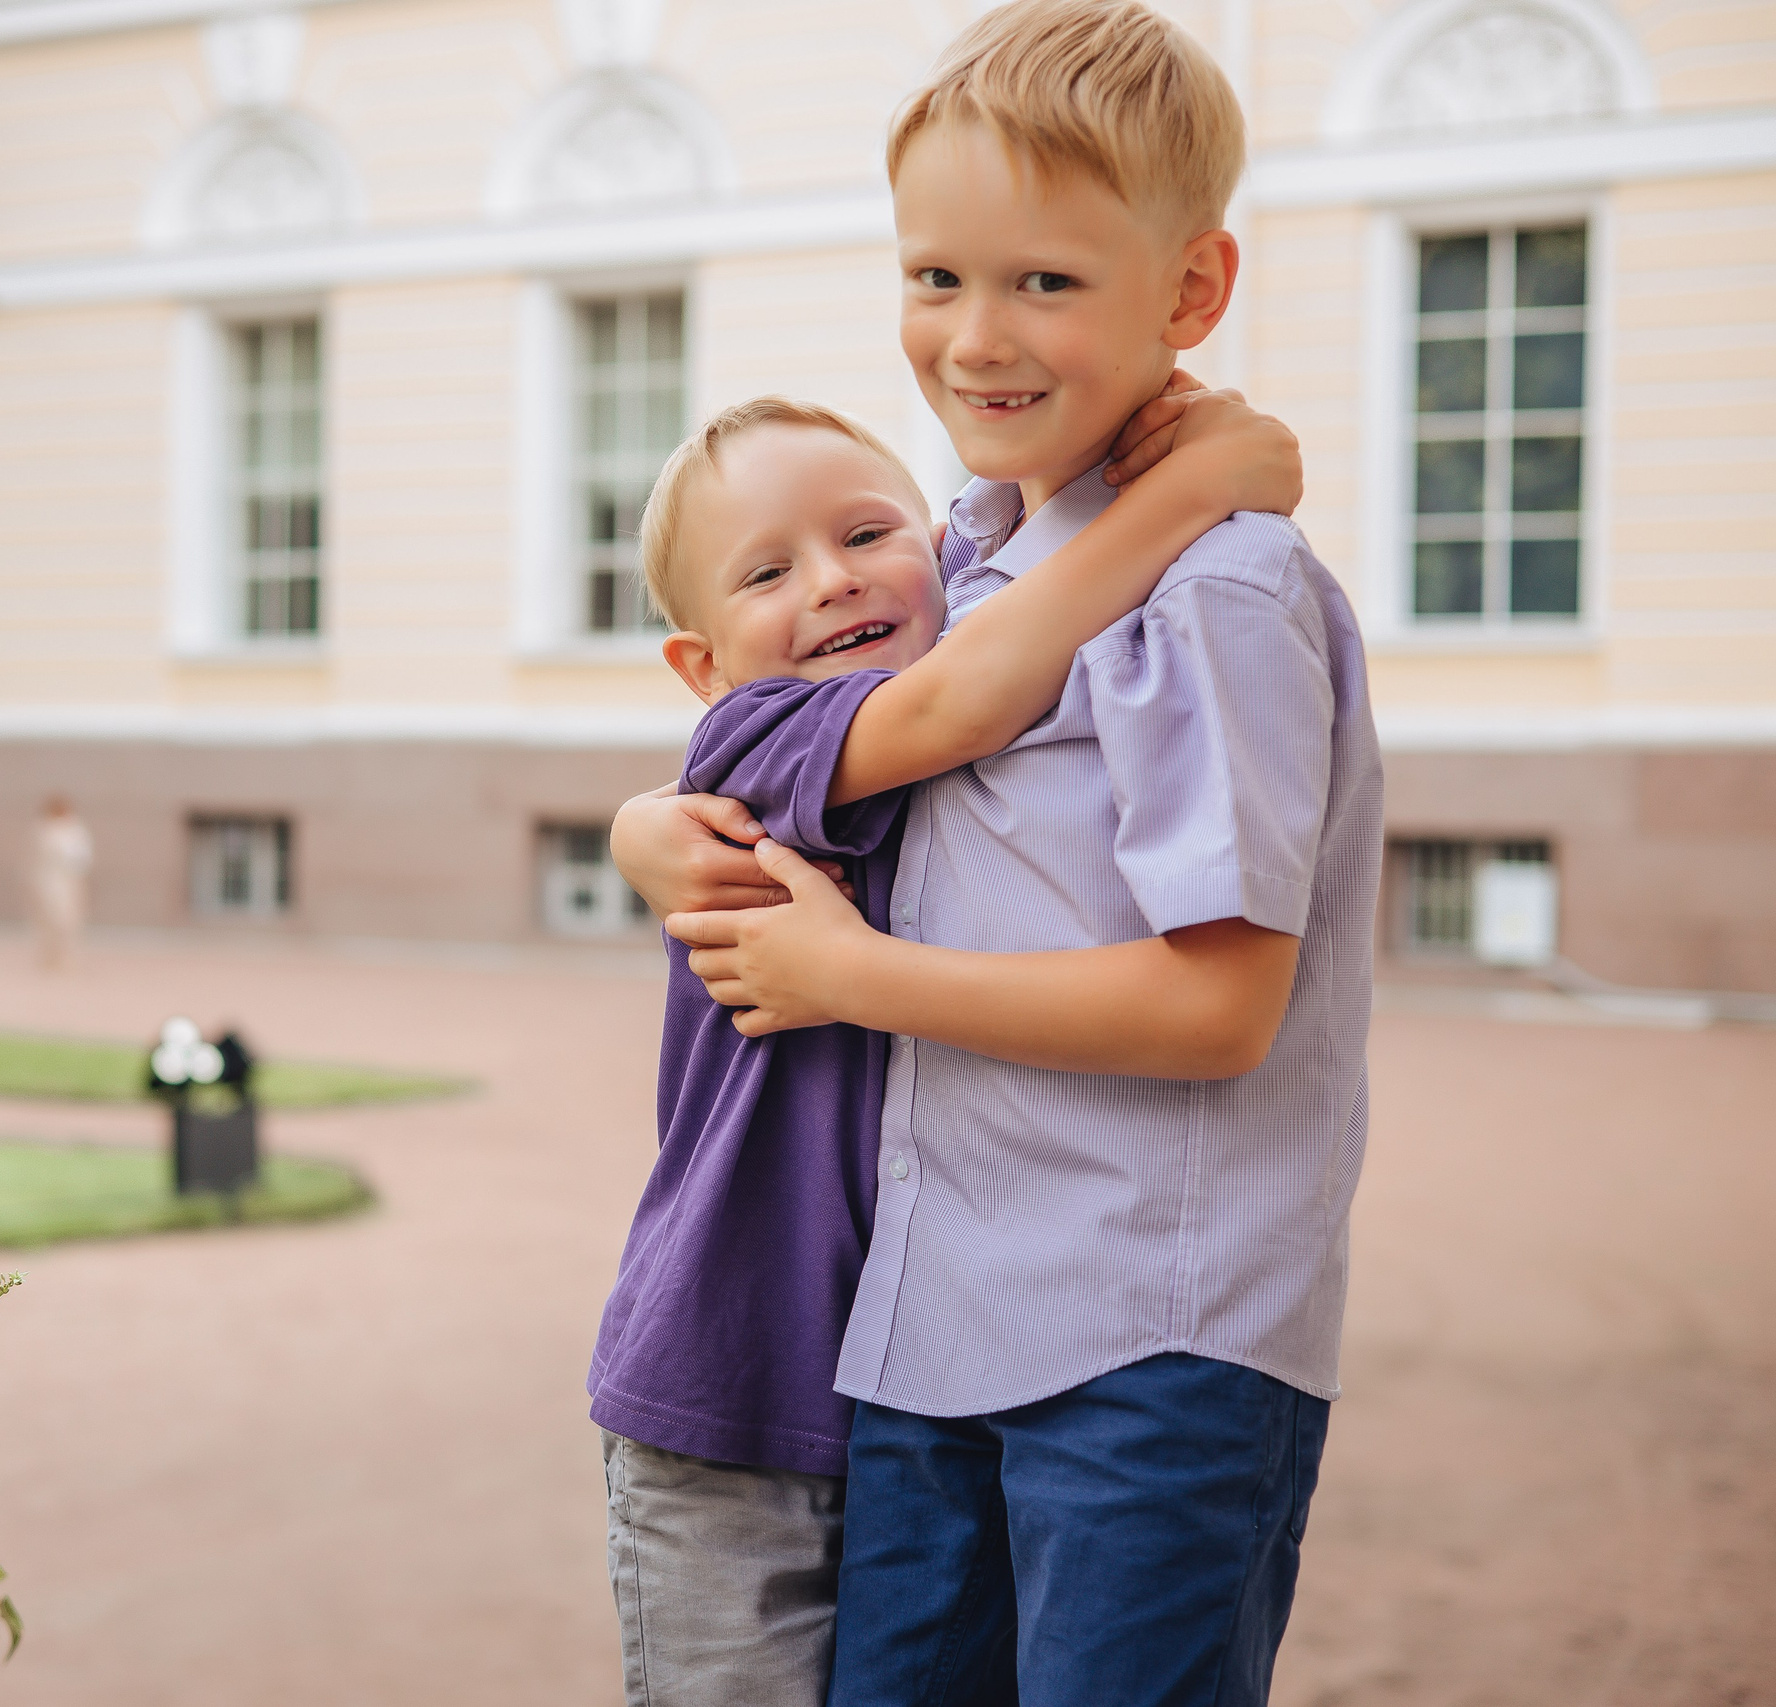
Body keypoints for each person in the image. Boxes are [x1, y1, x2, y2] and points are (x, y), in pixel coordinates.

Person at [615, 5, 1383, 1701]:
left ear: (1190, 295)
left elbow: (1221, 1012)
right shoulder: (951, 572)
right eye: (935, 278)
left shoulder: (1222, 594)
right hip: (918, 1340)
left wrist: (854, 977)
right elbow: (902, 710)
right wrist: (644, 827)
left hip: (1152, 1340)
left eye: (1045, 282)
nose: (975, 337)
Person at [592, 384, 1304, 1707]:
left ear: (942, 550)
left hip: (903, 1389)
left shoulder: (939, 692)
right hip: (732, 1390)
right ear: (702, 667)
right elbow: (974, 691)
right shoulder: (764, 736)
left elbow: (995, 643)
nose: (832, 581)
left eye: (869, 535)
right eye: (767, 569)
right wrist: (1195, 486)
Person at [32, 794, 94, 968]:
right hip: (49, 882)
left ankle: (67, 958)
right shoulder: (43, 829)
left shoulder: (75, 830)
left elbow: (81, 858)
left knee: (68, 921)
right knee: (48, 920)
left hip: (69, 883)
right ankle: (49, 958)